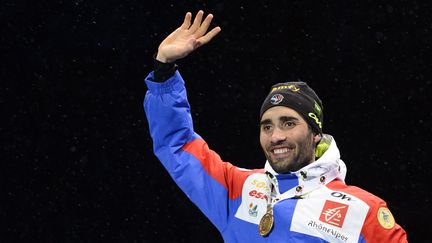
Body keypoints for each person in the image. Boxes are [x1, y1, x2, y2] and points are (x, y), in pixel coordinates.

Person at [144, 10, 408, 242]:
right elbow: (176, 145)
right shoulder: (238, 188)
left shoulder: (362, 212)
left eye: (289, 123)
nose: (276, 136)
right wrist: (164, 71)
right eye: (267, 126)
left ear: (315, 133)